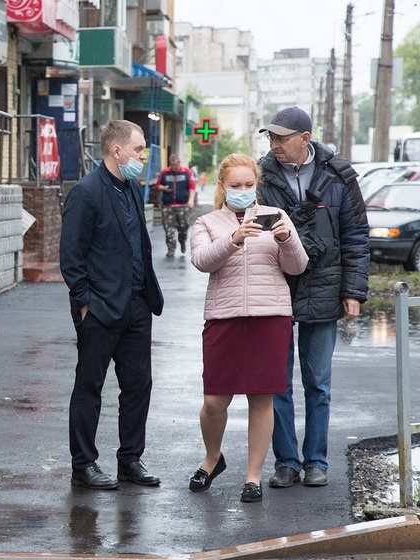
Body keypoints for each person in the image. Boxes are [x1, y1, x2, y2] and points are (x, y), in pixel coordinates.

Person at [256, 107, 370, 489]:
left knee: (318, 383)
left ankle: (316, 461)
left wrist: (353, 291)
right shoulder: (262, 177)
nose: (274, 145)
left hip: (324, 287)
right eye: (270, 138)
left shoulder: (339, 176)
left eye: (281, 138)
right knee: (276, 383)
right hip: (276, 289)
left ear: (305, 139)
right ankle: (286, 461)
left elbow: (355, 235)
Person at [188, 154, 308, 503]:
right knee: (214, 400)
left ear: (257, 184)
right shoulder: (207, 223)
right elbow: (201, 261)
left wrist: (286, 239)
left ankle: (253, 476)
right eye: (235, 186)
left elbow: (298, 267)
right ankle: (212, 459)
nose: (242, 191)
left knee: (261, 396)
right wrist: (235, 238)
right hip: (223, 317)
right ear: (222, 187)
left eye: (248, 185)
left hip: (270, 316)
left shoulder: (276, 216)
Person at [59, 119, 164, 490]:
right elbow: (70, 257)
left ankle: (130, 460)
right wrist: (85, 304)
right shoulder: (85, 192)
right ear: (116, 151)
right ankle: (83, 465)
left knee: (138, 385)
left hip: (137, 305)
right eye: (138, 150)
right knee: (89, 386)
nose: (142, 157)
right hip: (101, 310)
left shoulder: (132, 188)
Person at [155, 154, 196, 257]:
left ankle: (182, 241)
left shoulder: (186, 172)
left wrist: (191, 201)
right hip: (168, 206)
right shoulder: (164, 173)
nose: (174, 167)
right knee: (169, 228)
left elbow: (192, 187)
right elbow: (157, 186)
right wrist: (164, 188)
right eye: (172, 165)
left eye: (176, 164)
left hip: (182, 205)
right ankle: (171, 249)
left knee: (183, 227)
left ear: (179, 163)